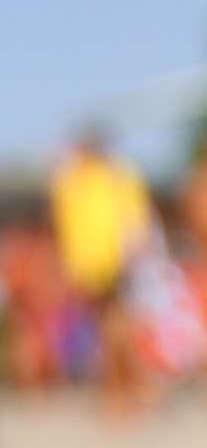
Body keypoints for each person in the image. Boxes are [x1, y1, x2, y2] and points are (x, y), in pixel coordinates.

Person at [50, 127, 152, 412]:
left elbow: (132, 221)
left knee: (115, 329)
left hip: (112, 264)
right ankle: (121, 389)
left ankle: (126, 388)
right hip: (95, 266)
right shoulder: (78, 180)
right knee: (109, 330)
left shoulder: (111, 177)